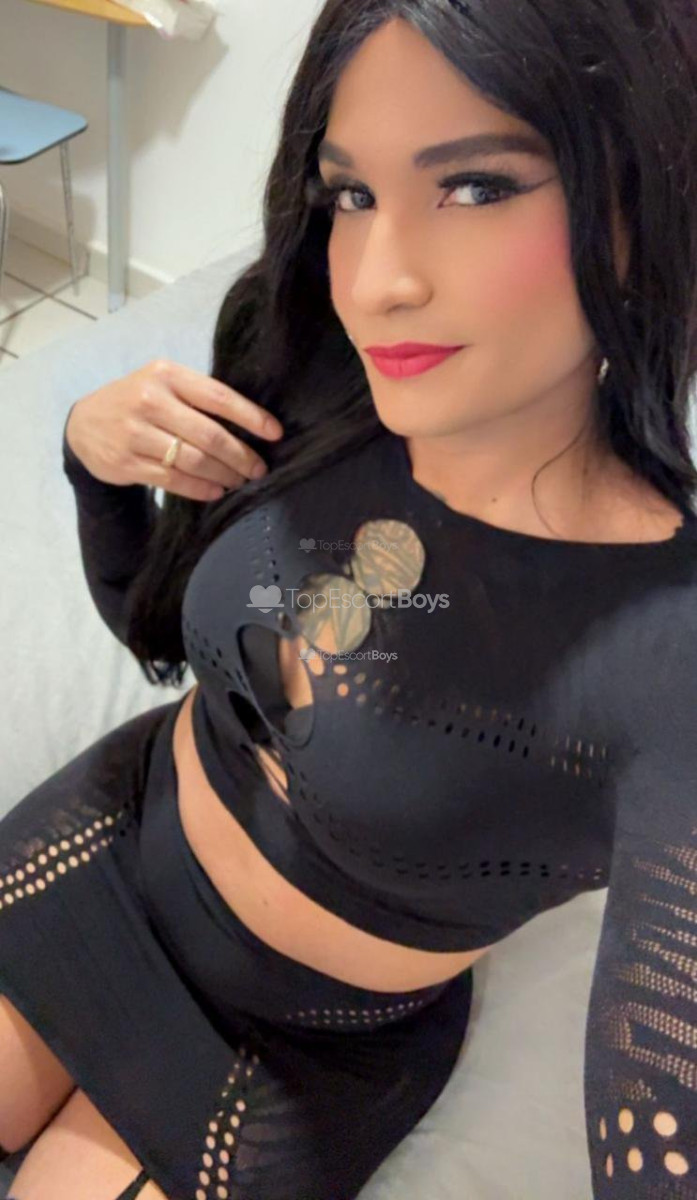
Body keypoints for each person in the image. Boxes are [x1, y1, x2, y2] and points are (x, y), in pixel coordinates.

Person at [2, 1, 697, 1197]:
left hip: (286, 1047)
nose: (377, 284)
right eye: (351, 196)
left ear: (643, 194)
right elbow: (160, 638)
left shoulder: (663, 650)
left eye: (476, 187)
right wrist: (92, 463)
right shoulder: (319, 377)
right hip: (98, 847)